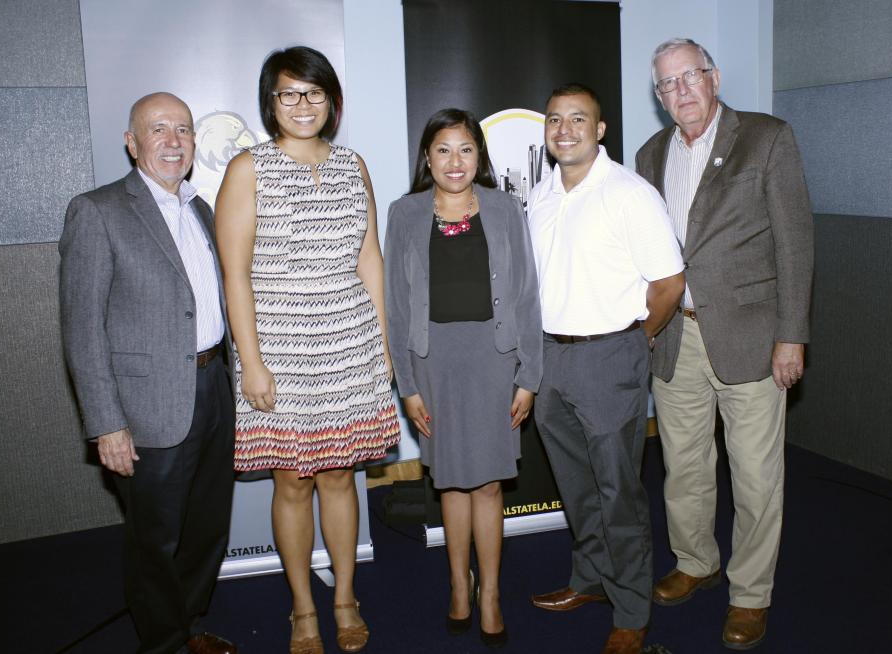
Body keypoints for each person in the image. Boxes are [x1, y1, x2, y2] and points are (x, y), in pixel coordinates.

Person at [215, 46, 399, 654]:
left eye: (314, 93)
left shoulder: (353, 165)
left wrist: (385, 341)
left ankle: (345, 598)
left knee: (341, 478)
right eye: (289, 93)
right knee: (293, 481)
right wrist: (253, 361)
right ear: (270, 103)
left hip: (351, 345)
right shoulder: (249, 168)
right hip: (281, 353)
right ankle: (302, 609)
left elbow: (369, 257)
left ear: (332, 102)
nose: (303, 104)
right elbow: (234, 275)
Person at [635, 38, 814, 650]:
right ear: (658, 97)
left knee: (757, 476)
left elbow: (796, 245)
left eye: (689, 77)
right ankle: (695, 561)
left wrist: (792, 336)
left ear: (712, 77)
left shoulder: (766, 138)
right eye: (667, 84)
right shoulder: (649, 154)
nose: (680, 91)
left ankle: (750, 595)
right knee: (683, 467)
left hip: (753, 340)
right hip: (677, 337)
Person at [59, 92, 237, 654]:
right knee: (154, 541)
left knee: (206, 529)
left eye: (182, 130)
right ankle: (162, 644)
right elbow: (82, 330)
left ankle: (187, 627)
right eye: (157, 130)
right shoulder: (98, 210)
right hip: (147, 408)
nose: (173, 140)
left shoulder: (201, 209)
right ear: (132, 143)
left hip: (212, 391)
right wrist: (106, 423)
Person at [527, 84, 685, 654]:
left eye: (578, 119)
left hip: (609, 356)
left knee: (618, 490)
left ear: (600, 130)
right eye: (554, 119)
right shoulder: (541, 195)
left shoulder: (629, 194)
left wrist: (633, 340)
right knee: (577, 485)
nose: (564, 129)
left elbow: (669, 283)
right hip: (550, 356)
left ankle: (631, 610)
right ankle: (591, 579)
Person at [384, 108, 543, 649]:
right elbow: (397, 308)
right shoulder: (404, 214)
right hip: (434, 363)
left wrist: (530, 374)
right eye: (444, 150)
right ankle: (459, 583)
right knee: (450, 478)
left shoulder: (504, 209)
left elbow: (526, 295)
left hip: (495, 359)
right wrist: (406, 384)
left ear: (480, 156)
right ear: (427, 158)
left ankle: (491, 591)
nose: (455, 161)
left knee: (491, 481)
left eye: (466, 149)